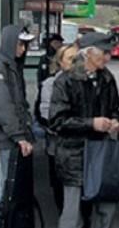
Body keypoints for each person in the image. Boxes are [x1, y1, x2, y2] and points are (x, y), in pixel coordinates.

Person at [49, 32, 119, 228]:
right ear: (89, 52)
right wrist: (92, 123)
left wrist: (116, 120)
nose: (108, 58)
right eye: (105, 53)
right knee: (72, 215)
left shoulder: (107, 78)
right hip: (74, 155)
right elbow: (57, 121)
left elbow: (115, 108)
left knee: (107, 207)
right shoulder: (64, 81)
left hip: (101, 152)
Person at [0, 24, 36, 228]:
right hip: (8, 138)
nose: (23, 49)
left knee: (13, 189)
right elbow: (3, 105)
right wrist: (19, 136)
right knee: (8, 190)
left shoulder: (11, 66)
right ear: (10, 42)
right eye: (20, 44)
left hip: (15, 136)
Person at [39, 42, 79, 214]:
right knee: (61, 190)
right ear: (60, 62)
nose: (74, 62)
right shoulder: (50, 84)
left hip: (81, 149)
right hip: (59, 147)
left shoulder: (87, 82)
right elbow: (48, 114)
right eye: (70, 59)